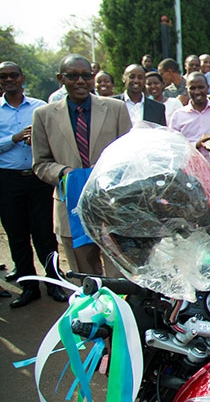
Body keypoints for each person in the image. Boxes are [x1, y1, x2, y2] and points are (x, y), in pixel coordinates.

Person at [31, 55, 132, 277]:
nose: (80, 81)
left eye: (86, 76)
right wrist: (65, 173)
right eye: (73, 76)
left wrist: (107, 169)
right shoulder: (44, 115)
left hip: (111, 205)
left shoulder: (116, 109)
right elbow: (40, 163)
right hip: (71, 208)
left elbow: (129, 155)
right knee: (85, 278)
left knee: (120, 277)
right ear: (61, 79)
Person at [0, 62, 66, 307]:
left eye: (13, 75)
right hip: (8, 179)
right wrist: (14, 138)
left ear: (22, 78)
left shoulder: (40, 107)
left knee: (45, 234)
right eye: (3, 76)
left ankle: (54, 282)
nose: (9, 80)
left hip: (38, 179)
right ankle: (29, 286)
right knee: (17, 235)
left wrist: (37, 141)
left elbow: (55, 140)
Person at [169, 73, 210, 166]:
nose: (197, 92)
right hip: (190, 169)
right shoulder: (178, 116)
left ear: (208, 87)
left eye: (201, 87)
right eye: (192, 88)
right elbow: (174, 147)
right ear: (187, 89)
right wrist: (196, 145)